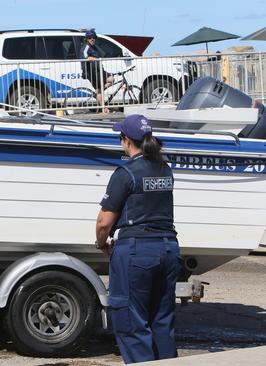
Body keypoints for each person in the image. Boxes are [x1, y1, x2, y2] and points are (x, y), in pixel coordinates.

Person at [95, 114, 181, 364]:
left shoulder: (125, 173)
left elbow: (104, 222)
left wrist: (102, 244)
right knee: (162, 322)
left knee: (132, 324)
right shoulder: (165, 169)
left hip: (137, 253)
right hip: (168, 249)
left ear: (125, 141)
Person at [80, 30, 114, 113]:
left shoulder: (94, 47)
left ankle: (98, 93)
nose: (92, 39)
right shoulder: (86, 47)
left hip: (99, 70)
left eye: (93, 38)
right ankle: (104, 109)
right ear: (86, 39)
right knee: (99, 89)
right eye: (89, 38)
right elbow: (84, 56)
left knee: (111, 79)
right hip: (91, 72)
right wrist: (89, 58)